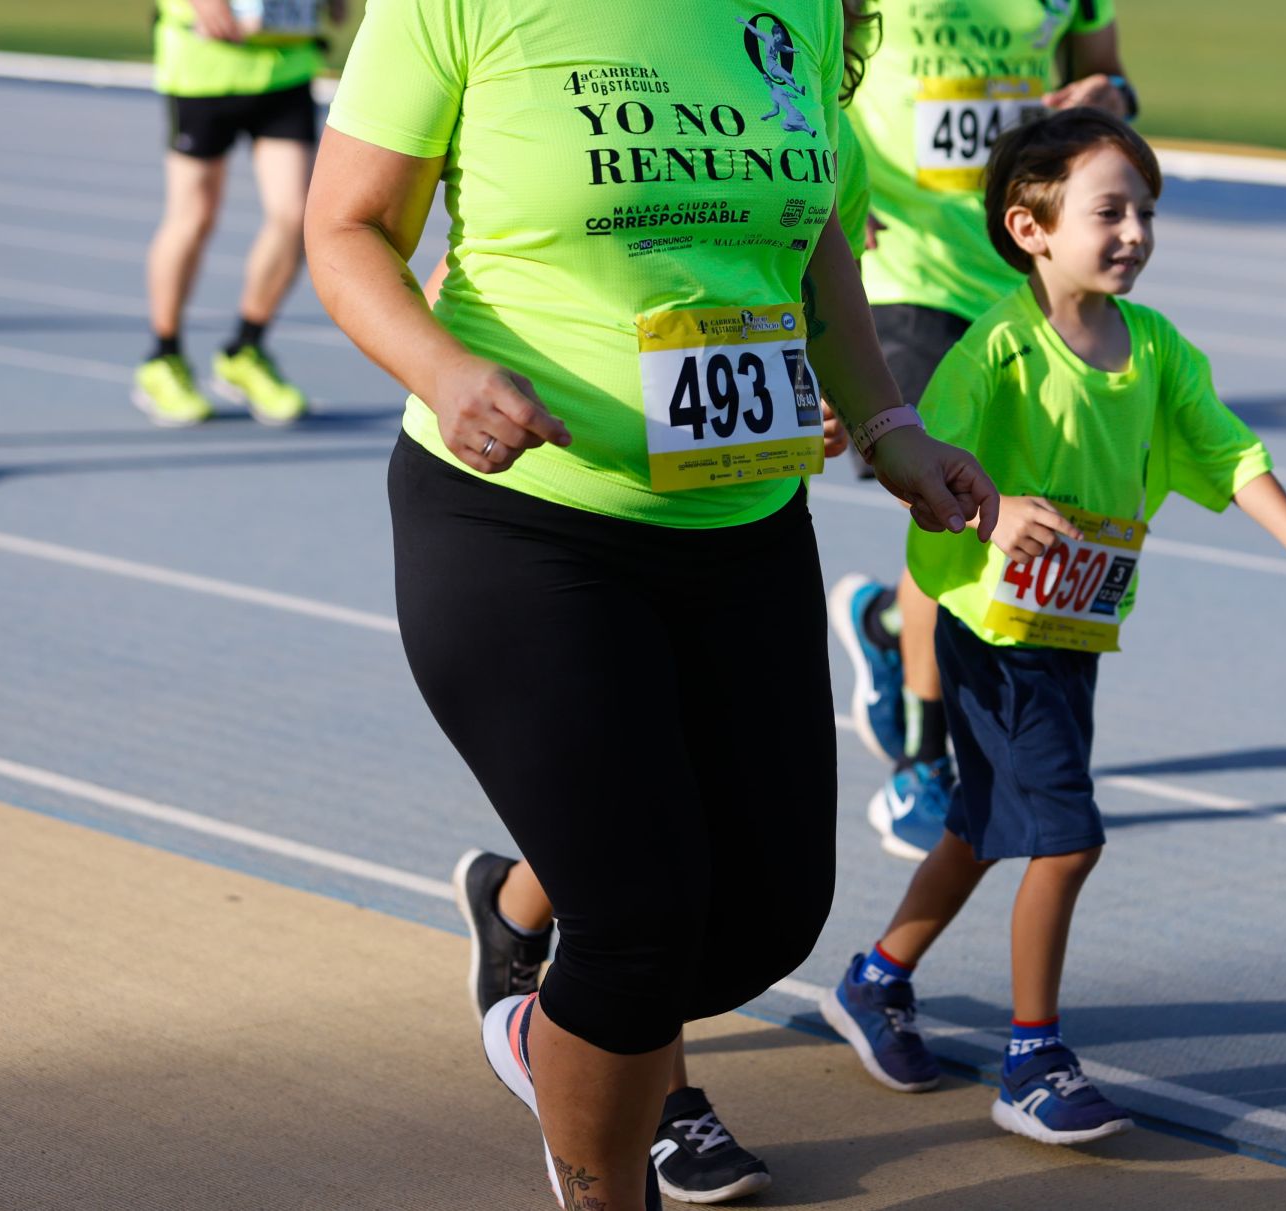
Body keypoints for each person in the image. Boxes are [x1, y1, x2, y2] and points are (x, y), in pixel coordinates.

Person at [304, 0, 999, 1206]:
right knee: (636, 927)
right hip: (523, 516)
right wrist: (442, 366)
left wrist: (889, 427)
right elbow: (347, 226)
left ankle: (548, 1020)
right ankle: (598, 1155)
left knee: (767, 918)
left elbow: (814, 239)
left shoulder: (807, 12)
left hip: (739, 521)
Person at [820, 108, 1286, 1144]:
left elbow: (1230, 452)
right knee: (1066, 839)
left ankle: (875, 977)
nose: (1135, 232)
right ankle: (1033, 1056)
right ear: (1031, 228)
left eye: (1146, 213)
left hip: (1070, 639)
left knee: (979, 825)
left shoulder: (1155, 350)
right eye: (1110, 210)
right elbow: (921, 464)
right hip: (993, 634)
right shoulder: (999, 352)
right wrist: (992, 509)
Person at [829, 0, 1140, 861]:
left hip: (1024, 272)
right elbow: (802, 63)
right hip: (900, 268)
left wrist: (1107, 96)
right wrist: (825, 190)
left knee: (1001, 515)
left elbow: (1109, 74)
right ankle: (924, 767)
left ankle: (894, 625)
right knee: (962, 506)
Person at [133, 0, 342, 427]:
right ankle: (163, 357)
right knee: (194, 216)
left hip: (285, 66)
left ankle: (245, 349)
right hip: (204, 67)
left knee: (295, 215)